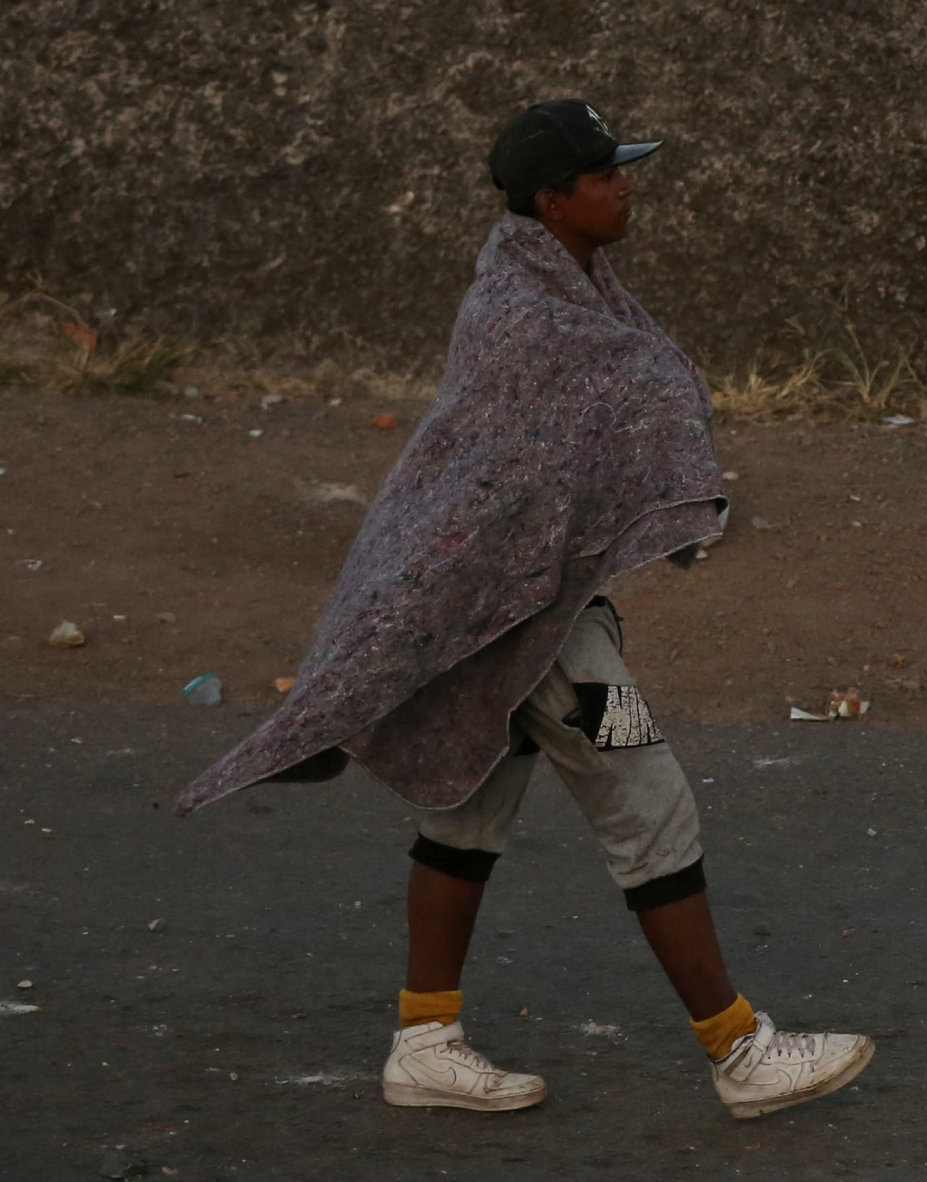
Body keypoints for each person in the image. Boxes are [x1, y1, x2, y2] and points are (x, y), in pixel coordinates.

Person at [180, 100, 871, 1122]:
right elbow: (546, 453)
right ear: (554, 199)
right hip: (519, 610)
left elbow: (586, 435)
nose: (627, 184)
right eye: (606, 174)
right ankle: (740, 1050)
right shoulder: (523, 314)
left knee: (467, 808)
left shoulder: (574, 292)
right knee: (648, 794)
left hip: (514, 602)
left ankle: (425, 1039)